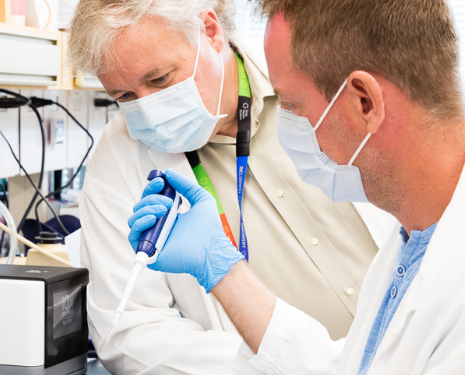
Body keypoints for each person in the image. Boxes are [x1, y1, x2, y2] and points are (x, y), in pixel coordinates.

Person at [127, 0, 465, 374]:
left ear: (364, 102)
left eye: (291, 106)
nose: (286, 124)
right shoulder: (422, 232)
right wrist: (222, 269)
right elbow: (348, 366)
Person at [67, 0, 395, 373]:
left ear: (210, 31)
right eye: (124, 96)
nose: (149, 107)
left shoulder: (318, 80)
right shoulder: (121, 154)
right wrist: (274, 364)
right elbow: (128, 331)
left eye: (160, 79)